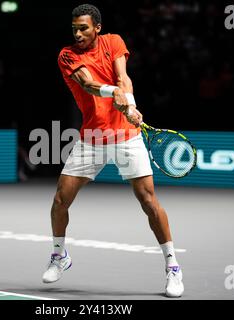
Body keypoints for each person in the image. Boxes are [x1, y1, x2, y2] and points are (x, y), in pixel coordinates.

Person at [42, 4, 184, 298]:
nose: (78, 34)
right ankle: (59, 256)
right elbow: (88, 84)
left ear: (97, 28)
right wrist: (112, 93)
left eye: (83, 28)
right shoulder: (67, 55)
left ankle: (172, 266)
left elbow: (123, 78)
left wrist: (129, 106)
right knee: (60, 200)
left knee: (148, 201)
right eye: (74, 29)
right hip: (91, 137)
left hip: (126, 136)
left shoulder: (114, 42)